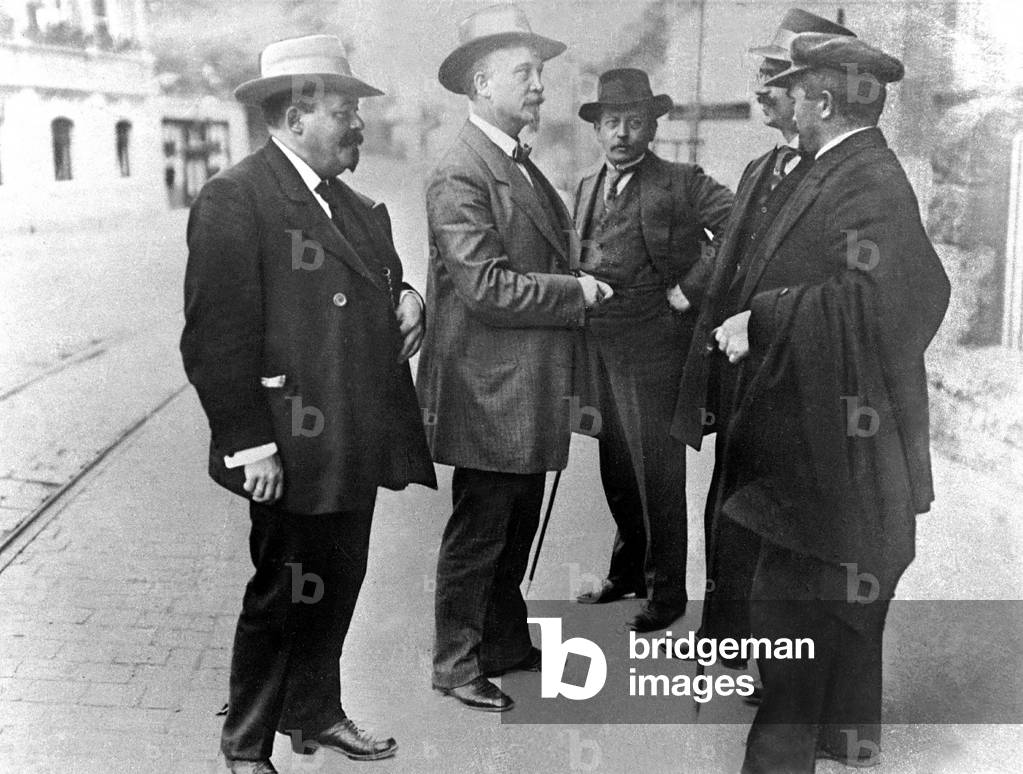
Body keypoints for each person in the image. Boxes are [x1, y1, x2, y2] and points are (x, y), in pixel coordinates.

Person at [180, 35, 436, 774]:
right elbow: (213, 339)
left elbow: (383, 281)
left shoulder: (355, 207)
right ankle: (246, 743)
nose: (359, 124)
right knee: (282, 593)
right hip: (288, 445)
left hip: (352, 440)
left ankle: (316, 713)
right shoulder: (238, 197)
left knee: (338, 580)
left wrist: (411, 297)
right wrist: (247, 442)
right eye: (345, 110)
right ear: (295, 116)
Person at [708, 33, 950, 772]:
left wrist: (767, 318)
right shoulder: (838, 166)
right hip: (821, 425)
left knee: (789, 611)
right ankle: (844, 737)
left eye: (792, 86)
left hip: (835, 441)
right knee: (827, 599)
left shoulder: (865, 175)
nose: (779, 95)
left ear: (819, 100)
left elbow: (893, 302)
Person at [417, 3, 612, 713]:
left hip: (521, 385)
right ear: (479, 82)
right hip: (486, 387)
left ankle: (501, 641)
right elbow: (485, 286)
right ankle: (455, 661)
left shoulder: (515, 165)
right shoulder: (461, 171)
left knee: (514, 520)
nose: (538, 85)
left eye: (539, 72)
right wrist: (577, 291)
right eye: (523, 72)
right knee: (481, 528)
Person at [671, 8, 855, 658]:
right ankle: (722, 641)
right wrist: (688, 295)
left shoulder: (834, 174)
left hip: (794, 374)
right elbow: (728, 250)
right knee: (726, 507)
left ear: (809, 90)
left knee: (776, 522)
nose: (759, 91)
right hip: (741, 372)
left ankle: (773, 658)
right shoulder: (763, 168)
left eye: (772, 78)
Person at [571, 68, 733, 633]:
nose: (622, 133)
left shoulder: (681, 182)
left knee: (657, 472)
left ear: (652, 126)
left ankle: (668, 594)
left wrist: (688, 290)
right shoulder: (587, 186)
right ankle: (630, 571)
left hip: (657, 349)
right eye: (612, 122)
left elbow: (739, 227)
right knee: (616, 467)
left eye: (634, 122)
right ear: (597, 128)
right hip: (600, 348)